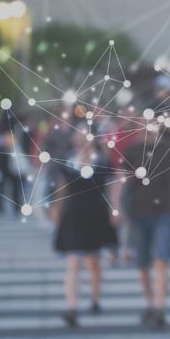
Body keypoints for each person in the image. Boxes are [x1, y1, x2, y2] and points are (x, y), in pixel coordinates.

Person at [118, 122, 170, 329]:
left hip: (165, 210)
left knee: (161, 259)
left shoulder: (169, 147)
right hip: (138, 211)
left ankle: (159, 306)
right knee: (142, 263)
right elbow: (121, 178)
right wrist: (118, 208)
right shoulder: (132, 149)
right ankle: (150, 302)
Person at [50, 124, 118, 327]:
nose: (81, 138)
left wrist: (114, 209)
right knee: (73, 261)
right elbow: (61, 186)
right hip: (73, 213)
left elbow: (113, 184)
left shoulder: (102, 160)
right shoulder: (68, 159)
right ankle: (71, 307)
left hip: (96, 213)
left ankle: (95, 299)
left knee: (93, 262)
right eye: (78, 134)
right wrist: (56, 209)